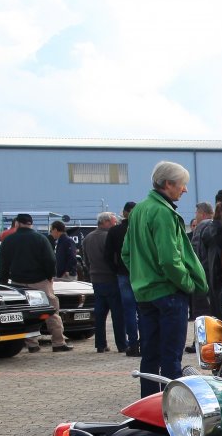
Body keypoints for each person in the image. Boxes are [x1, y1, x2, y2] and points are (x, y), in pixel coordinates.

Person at [123, 161, 207, 396]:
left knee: (150, 356)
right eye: (182, 184)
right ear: (168, 184)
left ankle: (149, 403)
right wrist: (187, 284)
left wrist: (142, 275)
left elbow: (126, 253)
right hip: (168, 293)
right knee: (171, 358)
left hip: (145, 294)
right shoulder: (163, 212)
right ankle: (173, 409)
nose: (185, 189)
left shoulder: (139, 210)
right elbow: (170, 260)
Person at [0, 213, 72, 353]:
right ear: (31, 224)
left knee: (26, 313)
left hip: (18, 283)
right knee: (51, 311)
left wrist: (2, 281)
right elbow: (50, 260)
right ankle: (58, 342)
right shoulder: (41, 239)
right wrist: (50, 276)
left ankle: (32, 344)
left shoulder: (8, 240)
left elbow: (2, 263)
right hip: (40, 282)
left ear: (17, 224)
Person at [80, 212, 124, 352]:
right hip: (111, 278)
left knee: (99, 314)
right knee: (117, 314)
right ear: (106, 222)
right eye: (114, 222)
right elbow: (114, 257)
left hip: (96, 279)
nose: (115, 224)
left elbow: (85, 260)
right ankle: (122, 344)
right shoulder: (108, 237)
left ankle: (100, 344)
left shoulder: (88, 238)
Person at [104, 201, 141, 356]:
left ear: (124, 213)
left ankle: (133, 344)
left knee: (129, 311)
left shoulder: (115, 231)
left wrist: (116, 269)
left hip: (123, 274)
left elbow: (107, 255)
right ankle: (145, 343)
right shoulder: (142, 229)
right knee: (144, 310)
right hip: (142, 275)